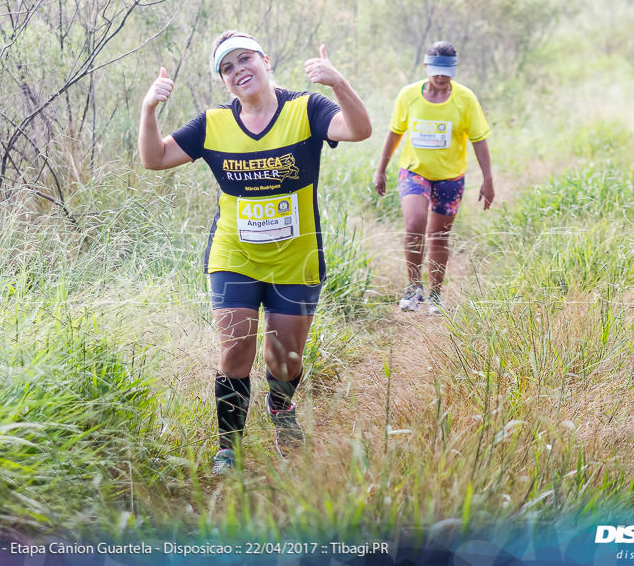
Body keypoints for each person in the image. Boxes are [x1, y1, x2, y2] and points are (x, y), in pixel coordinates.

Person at [139, 32, 371, 475]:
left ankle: (281, 407)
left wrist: (338, 83)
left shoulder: (305, 109)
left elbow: (359, 130)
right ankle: (229, 446)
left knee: (284, 359)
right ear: (223, 80)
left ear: (264, 60)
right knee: (236, 351)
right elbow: (154, 158)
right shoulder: (212, 124)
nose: (238, 69)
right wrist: (149, 109)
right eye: (227, 67)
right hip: (235, 256)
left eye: (244, 59)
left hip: (296, 258)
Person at [372, 41, 494, 314]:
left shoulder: (465, 99)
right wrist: (381, 169)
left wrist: (488, 179)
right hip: (414, 171)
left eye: (447, 70)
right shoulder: (408, 95)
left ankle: (436, 293)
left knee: (439, 235)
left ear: (454, 69)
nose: (441, 76)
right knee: (415, 224)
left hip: (450, 178)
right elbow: (394, 133)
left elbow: (479, 140)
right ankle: (414, 287)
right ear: (426, 67)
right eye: (436, 69)